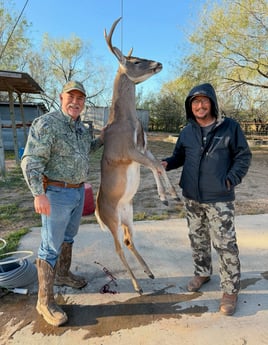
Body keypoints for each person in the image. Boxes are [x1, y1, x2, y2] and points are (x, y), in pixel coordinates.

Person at [162, 83, 251, 316]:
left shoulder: (229, 127)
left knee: (225, 245)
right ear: (190, 107)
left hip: (219, 199)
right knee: (197, 238)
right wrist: (166, 164)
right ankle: (202, 272)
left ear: (212, 103)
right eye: (194, 102)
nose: (199, 106)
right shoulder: (187, 131)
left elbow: (243, 156)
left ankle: (230, 290)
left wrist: (231, 179)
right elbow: (179, 156)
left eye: (203, 101)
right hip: (192, 197)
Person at [21, 80, 104, 326]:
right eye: (71, 97)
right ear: (61, 97)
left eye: (80, 99)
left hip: (77, 192)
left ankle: (63, 275)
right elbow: (30, 160)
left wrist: (103, 137)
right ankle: (44, 302)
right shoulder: (47, 124)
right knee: (50, 246)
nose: (75, 102)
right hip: (55, 194)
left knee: (68, 237)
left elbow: (86, 150)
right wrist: (38, 193)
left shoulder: (80, 129)